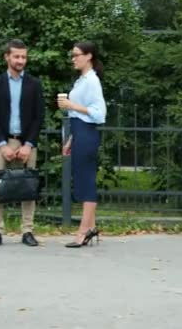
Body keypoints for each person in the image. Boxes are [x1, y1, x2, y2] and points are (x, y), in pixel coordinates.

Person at [0, 39, 45, 248]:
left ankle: (27, 231)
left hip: (26, 141)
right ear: (7, 57)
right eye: (17, 56)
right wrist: (2, 144)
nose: (21, 60)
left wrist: (28, 144)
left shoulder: (34, 84)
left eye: (24, 57)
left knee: (28, 185)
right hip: (2, 141)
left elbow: (39, 117)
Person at [57, 41, 106, 248]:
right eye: (73, 55)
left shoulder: (92, 81)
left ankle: (83, 232)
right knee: (82, 179)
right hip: (80, 133)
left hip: (87, 134)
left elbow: (99, 113)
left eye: (77, 55)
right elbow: (79, 115)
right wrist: (71, 138)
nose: (73, 58)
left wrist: (70, 105)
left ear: (89, 56)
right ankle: (91, 227)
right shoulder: (82, 80)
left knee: (86, 182)